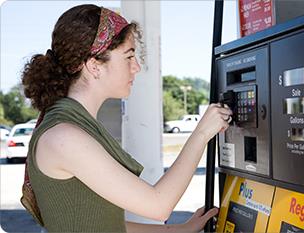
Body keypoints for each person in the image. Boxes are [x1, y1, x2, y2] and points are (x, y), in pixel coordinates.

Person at [20, 4, 232, 232]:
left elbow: (106, 225)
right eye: (129, 56)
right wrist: (201, 134)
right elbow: (159, 205)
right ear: (94, 66)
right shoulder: (65, 137)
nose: (137, 67)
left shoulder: (75, 126)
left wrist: (180, 230)